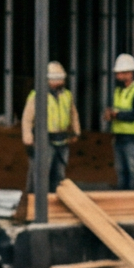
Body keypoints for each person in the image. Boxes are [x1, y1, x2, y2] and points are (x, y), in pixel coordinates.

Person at [20, 60, 79, 193]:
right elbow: (27, 118)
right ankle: (38, 200)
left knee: (59, 173)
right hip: (44, 140)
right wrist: (27, 136)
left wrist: (76, 131)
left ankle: (55, 199)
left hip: (62, 139)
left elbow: (73, 114)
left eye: (60, 79)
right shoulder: (37, 96)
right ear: (48, 80)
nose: (59, 82)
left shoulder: (67, 95)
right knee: (42, 173)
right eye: (56, 79)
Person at [104, 53, 134, 189]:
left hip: (133, 136)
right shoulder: (119, 90)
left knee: (133, 168)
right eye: (117, 73)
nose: (118, 76)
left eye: (121, 73)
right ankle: (123, 194)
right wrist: (110, 114)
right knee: (121, 169)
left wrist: (118, 115)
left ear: (130, 73)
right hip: (119, 135)